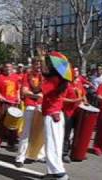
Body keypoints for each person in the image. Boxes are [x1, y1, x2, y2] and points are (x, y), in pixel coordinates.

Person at [40, 51, 70, 180]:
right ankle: (52, 172)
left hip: (51, 115)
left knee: (52, 144)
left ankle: (58, 173)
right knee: (55, 144)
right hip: (57, 114)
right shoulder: (61, 78)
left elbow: (40, 89)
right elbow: (45, 73)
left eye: (49, 63)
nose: (48, 64)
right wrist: (42, 60)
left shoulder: (53, 80)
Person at [15, 58, 43, 167]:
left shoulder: (44, 76)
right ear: (33, 65)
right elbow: (24, 91)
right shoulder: (27, 75)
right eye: (37, 64)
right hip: (30, 105)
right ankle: (20, 158)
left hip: (42, 106)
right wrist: (36, 95)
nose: (38, 67)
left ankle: (38, 155)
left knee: (41, 132)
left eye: (40, 65)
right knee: (26, 132)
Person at [0, 62, 21, 151]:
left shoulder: (15, 77)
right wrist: (1, 98)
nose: (8, 69)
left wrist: (18, 98)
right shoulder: (0, 78)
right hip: (3, 104)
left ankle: (11, 143)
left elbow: (17, 89)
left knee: (13, 123)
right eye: (6, 67)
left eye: (10, 67)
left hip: (13, 103)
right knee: (1, 123)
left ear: (12, 68)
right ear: (4, 68)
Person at [62, 67, 88, 163]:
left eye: (77, 71)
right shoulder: (66, 85)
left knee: (77, 134)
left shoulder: (79, 83)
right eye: (74, 71)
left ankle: (75, 152)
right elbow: (61, 98)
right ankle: (64, 153)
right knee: (66, 134)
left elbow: (83, 94)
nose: (76, 73)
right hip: (68, 112)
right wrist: (73, 101)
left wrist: (85, 102)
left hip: (79, 112)